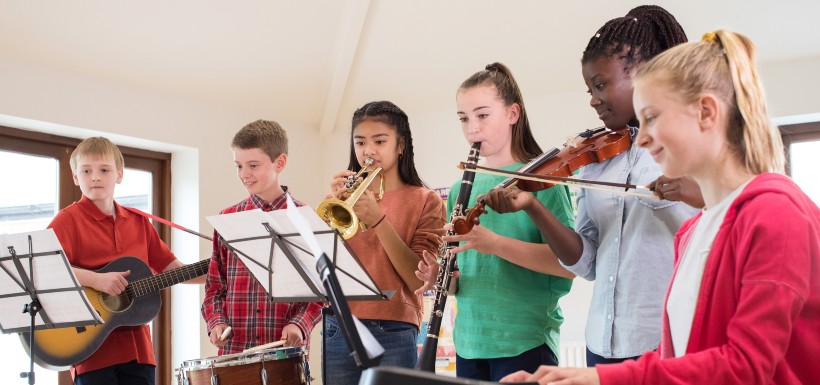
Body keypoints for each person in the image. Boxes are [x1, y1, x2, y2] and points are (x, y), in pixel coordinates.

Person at [502, 28, 820, 385]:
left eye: (652, 117)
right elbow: (680, 354)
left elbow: (745, 367)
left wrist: (602, 380)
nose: (645, 137)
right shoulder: (692, 231)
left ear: (705, 112)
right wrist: (580, 376)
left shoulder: (777, 213)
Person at [481, 5, 699, 367]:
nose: (594, 99)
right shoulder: (597, 162)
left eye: (601, 85)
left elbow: (730, 221)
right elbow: (588, 263)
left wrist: (696, 193)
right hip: (601, 342)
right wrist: (533, 207)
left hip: (666, 340)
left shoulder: (688, 145)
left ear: (646, 76)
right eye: (589, 89)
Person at [439, 62, 575, 381]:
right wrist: (440, 278)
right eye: (464, 118)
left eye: (482, 115)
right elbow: (461, 282)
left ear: (513, 114)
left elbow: (568, 264)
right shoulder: (461, 189)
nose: (472, 127)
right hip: (469, 344)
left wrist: (496, 245)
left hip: (524, 343)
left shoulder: (544, 179)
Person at [48, 136, 202, 385]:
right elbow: (46, 269)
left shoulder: (139, 222)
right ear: (76, 178)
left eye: (104, 170)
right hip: (91, 352)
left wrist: (222, 272)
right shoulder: (67, 221)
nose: (95, 177)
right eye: (86, 171)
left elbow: (173, 268)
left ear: (119, 174)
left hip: (139, 352)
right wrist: (96, 280)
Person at [322, 100, 446, 385]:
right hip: (338, 326)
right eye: (360, 142)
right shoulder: (339, 201)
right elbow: (324, 265)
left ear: (400, 145)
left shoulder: (426, 200)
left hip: (394, 329)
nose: (368, 151)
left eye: (379, 141)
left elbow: (417, 280)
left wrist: (378, 220)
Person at [201, 120, 322, 355]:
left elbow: (320, 292)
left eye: (253, 165)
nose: (244, 174)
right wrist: (216, 322)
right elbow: (215, 287)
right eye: (238, 166)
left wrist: (300, 323)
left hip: (286, 357)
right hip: (235, 355)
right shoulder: (226, 219)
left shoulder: (306, 220)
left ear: (280, 162)